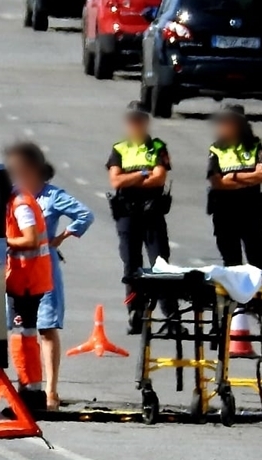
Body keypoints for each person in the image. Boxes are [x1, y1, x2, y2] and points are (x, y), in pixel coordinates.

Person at [106, 100, 173, 334]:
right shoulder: (120, 149)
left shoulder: (157, 146)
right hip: (127, 213)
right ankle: (135, 312)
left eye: (139, 120)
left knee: (160, 263)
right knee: (131, 265)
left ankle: (170, 314)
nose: (135, 124)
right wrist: (144, 173)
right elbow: (116, 180)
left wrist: (132, 175)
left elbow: (159, 178)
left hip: (152, 212)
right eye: (131, 120)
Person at [34, 166, 94, 411]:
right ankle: (27, 387)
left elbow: (85, 215)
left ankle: (51, 390)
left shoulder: (53, 196)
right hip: (14, 267)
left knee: (45, 328)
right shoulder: (13, 195)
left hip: (43, 267)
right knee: (20, 331)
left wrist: (61, 237)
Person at [4, 142, 54, 409]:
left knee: (23, 336)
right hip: (25, 280)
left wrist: (5, 241)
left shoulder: (20, 203)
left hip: (27, 282)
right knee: (24, 335)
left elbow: (31, 239)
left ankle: (30, 395)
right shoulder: (18, 200)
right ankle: (29, 391)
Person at [206, 104, 262, 272]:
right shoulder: (216, 149)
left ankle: (259, 297)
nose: (224, 126)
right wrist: (250, 178)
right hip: (225, 213)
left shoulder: (254, 146)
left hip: (251, 212)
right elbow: (218, 182)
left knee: (259, 262)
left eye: (229, 122)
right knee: (231, 263)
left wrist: (234, 177)